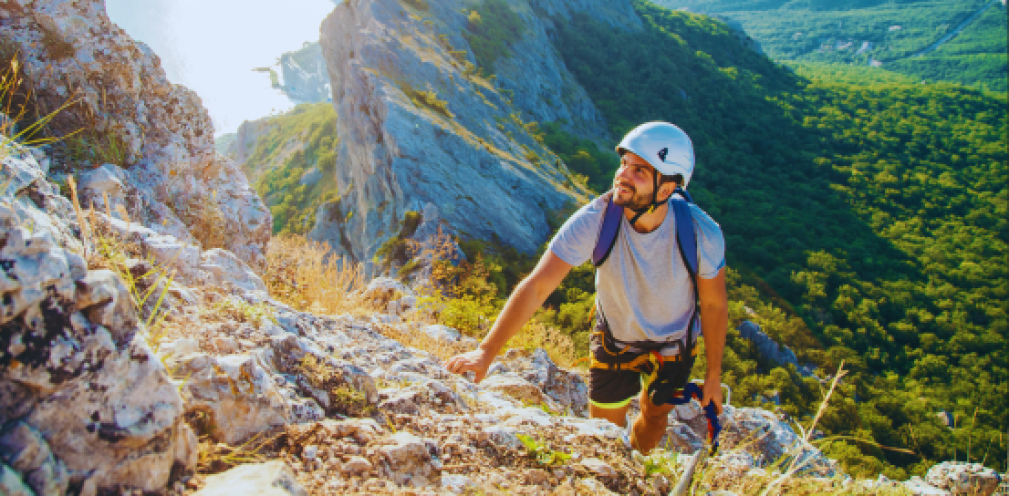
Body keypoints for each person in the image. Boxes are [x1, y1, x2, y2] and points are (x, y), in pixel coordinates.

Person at [444, 122, 727, 454]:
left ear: (666, 189)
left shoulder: (700, 233)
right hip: (615, 340)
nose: (623, 175)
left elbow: (713, 305)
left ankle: (636, 467)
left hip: (673, 345)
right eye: (624, 164)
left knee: (654, 419)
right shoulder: (596, 220)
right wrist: (486, 351)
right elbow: (537, 286)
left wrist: (713, 375)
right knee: (604, 437)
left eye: (639, 171)